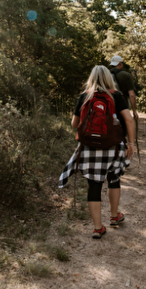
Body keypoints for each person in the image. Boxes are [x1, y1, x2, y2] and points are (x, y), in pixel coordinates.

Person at [59, 65, 136, 239]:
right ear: (109, 78)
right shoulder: (116, 96)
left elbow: (74, 124)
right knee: (114, 179)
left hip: (89, 147)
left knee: (94, 184)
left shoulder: (85, 96)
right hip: (113, 145)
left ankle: (97, 227)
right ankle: (114, 216)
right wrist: (130, 142)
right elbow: (129, 120)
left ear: (91, 78)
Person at [109, 55, 139, 123]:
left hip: (108, 107)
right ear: (120, 63)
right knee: (122, 130)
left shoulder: (106, 74)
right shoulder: (126, 75)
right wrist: (134, 111)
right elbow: (131, 95)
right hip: (123, 108)